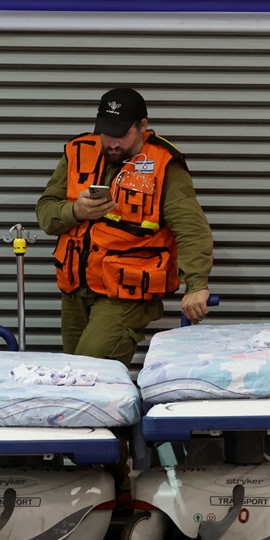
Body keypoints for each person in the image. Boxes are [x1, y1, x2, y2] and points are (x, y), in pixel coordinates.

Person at [36, 87, 213, 365]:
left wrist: (197, 285)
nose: (112, 143)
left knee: (90, 371)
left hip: (125, 294)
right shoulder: (78, 151)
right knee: (71, 375)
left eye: (121, 135)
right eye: (106, 133)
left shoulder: (165, 164)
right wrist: (74, 211)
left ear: (142, 126)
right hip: (75, 290)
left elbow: (192, 230)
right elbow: (46, 212)